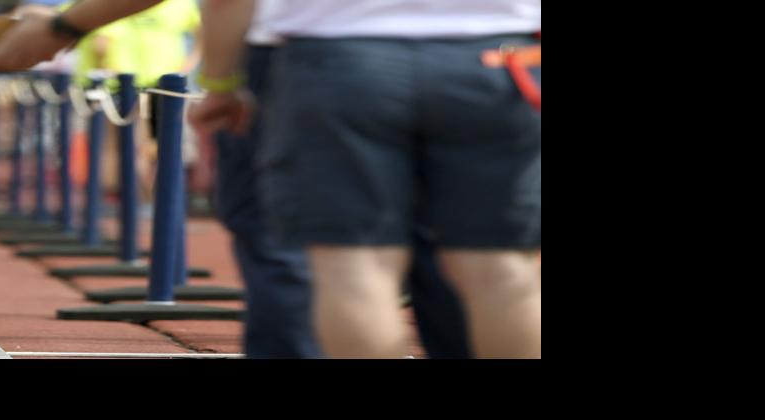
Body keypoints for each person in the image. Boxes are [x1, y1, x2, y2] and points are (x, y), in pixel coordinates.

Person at [0, 0, 474, 359]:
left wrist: (218, 79)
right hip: (486, 56)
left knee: (325, 254)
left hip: (316, 58)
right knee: (480, 260)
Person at [197, 0, 541, 358]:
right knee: (502, 269)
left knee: (356, 267)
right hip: (496, 58)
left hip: (340, 57)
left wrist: (221, 81)